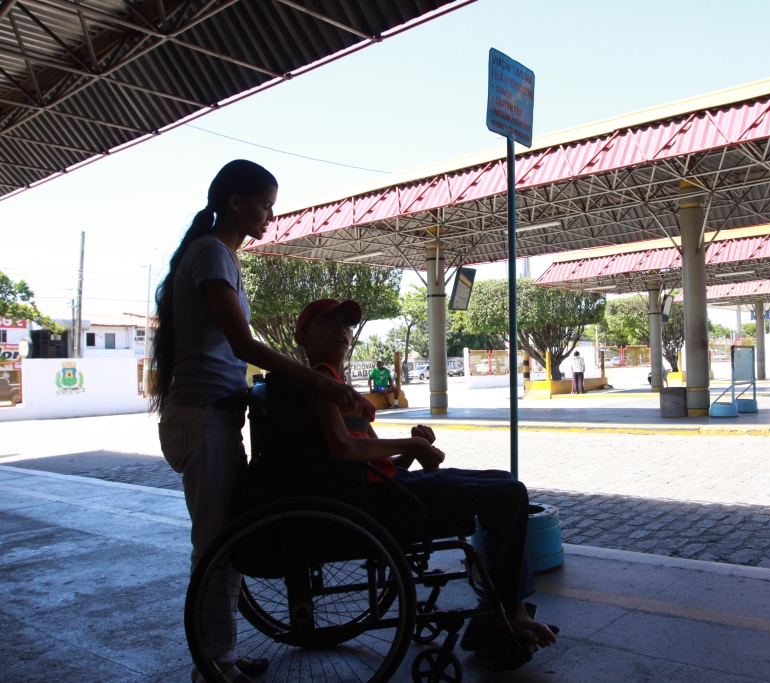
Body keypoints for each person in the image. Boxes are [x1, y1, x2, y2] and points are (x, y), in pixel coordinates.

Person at [153, 161, 363, 683]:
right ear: (233, 201)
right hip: (201, 419)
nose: (271, 214)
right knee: (214, 546)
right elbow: (243, 344)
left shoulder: (217, 254)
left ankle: (220, 656)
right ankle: (212, 666)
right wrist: (317, 382)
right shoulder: (210, 254)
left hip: (216, 417)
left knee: (228, 540)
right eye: (265, 204)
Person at [291, 298, 557, 663]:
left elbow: (370, 462)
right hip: (384, 498)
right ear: (301, 336)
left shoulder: (336, 384)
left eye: (345, 324)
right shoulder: (322, 380)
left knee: (505, 483)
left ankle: (507, 607)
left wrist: (411, 453)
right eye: (328, 322)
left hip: (389, 483)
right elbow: (342, 449)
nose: (341, 329)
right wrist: (412, 443)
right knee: (509, 493)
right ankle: (509, 612)